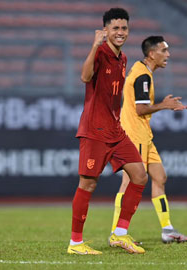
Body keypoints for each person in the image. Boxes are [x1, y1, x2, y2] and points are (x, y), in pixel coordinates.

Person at [67, 7, 146, 255]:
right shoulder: (100, 52)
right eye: (115, 28)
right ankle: (76, 243)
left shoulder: (122, 58)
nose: (120, 32)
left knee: (140, 176)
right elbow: (84, 76)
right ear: (106, 30)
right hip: (95, 131)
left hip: (115, 130)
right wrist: (93, 46)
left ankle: (119, 234)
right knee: (88, 185)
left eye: (124, 28)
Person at [110, 36, 187, 244]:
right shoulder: (143, 76)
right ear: (152, 54)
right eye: (164, 50)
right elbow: (141, 109)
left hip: (144, 135)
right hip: (133, 135)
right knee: (128, 182)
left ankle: (167, 230)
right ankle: (116, 233)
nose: (168, 54)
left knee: (159, 177)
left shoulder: (142, 71)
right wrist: (164, 105)